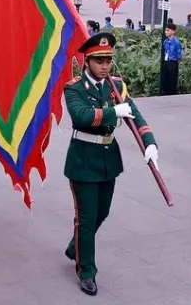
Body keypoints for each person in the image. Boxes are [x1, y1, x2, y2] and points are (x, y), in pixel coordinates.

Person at [62, 33, 158, 296]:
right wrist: (112, 112)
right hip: (83, 158)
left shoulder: (115, 85)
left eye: (108, 60)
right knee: (86, 218)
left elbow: (136, 115)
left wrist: (150, 142)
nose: (105, 66)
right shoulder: (74, 87)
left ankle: (75, 247)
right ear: (87, 61)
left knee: (101, 213)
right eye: (99, 60)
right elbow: (81, 116)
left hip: (108, 159)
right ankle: (87, 271)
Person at [161, 24, 183, 95]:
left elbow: (179, 56)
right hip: (166, 61)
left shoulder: (176, 43)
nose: (166, 32)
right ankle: (165, 92)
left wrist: (175, 64)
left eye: (168, 30)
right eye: (165, 30)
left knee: (172, 79)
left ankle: (172, 93)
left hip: (173, 62)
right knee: (165, 78)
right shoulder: (165, 42)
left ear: (173, 32)